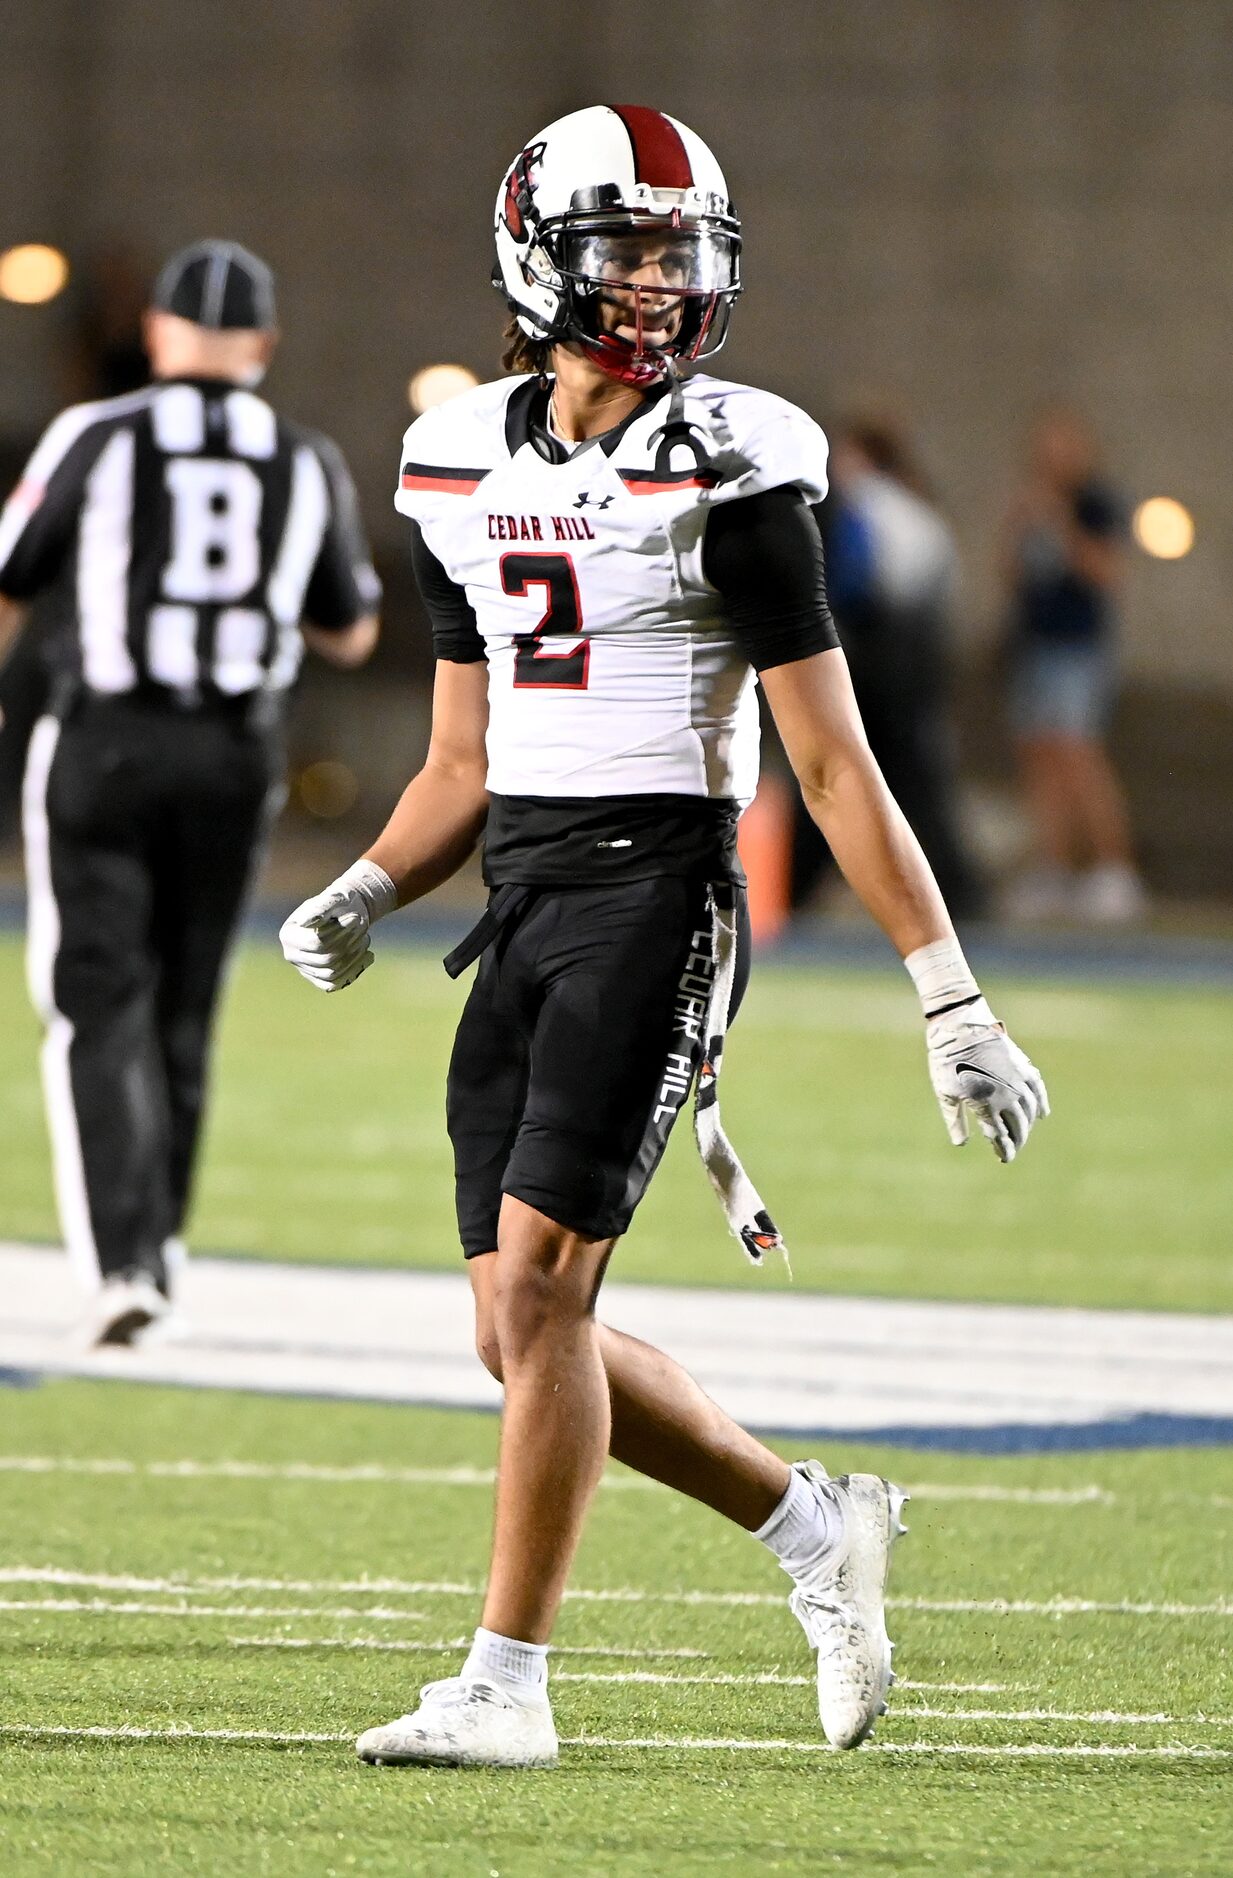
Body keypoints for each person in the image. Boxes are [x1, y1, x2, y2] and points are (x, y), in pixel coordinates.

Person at [280, 106, 1048, 1768]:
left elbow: (833, 762)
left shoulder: (734, 465)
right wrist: (364, 885)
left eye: (675, 251)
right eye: (621, 248)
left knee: (549, 1296)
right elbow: (457, 767)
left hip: (661, 889)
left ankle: (505, 1681)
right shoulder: (455, 460)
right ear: (533, 254)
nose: (652, 283)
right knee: (511, 1329)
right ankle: (810, 1525)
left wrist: (948, 991)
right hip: (524, 899)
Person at [0, 239, 380, 1346]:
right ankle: (160, 1237)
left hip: (109, 743)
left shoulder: (100, 436)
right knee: (187, 1004)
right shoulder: (300, 458)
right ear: (261, 345)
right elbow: (351, 628)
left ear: (160, 336)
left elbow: (14, 570)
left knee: (97, 998)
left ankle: (126, 1259)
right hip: (233, 754)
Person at [794, 415, 984, 920]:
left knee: (845, 767)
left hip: (886, 656)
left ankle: (798, 886)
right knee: (907, 777)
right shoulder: (915, 507)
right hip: (916, 655)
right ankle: (955, 892)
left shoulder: (867, 504)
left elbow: (854, 587)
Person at [999, 407, 1145, 924]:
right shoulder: (1032, 502)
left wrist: (1061, 525)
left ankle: (1114, 870)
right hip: (1035, 644)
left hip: (1077, 650)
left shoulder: (1094, 503)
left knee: (1078, 753)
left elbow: (1107, 572)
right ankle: (1053, 868)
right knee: (1039, 756)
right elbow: (1015, 576)